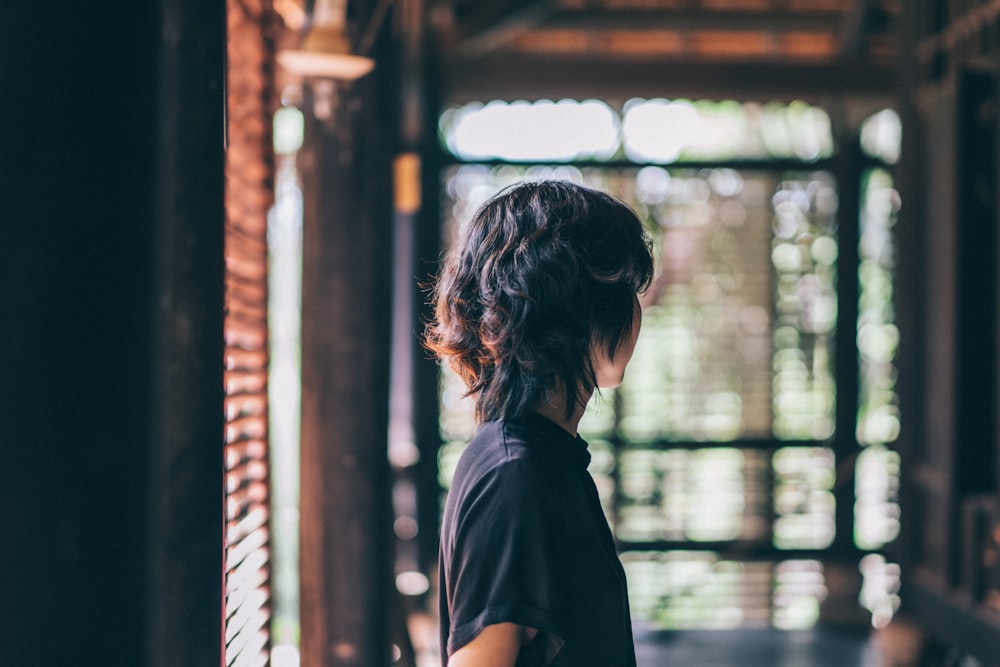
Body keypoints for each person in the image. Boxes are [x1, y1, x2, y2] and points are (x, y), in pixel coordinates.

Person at [424, 180, 655, 666]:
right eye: (627, 289)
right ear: (578, 308)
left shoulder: (540, 458)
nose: (638, 312)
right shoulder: (517, 475)